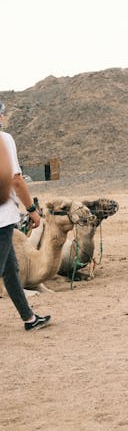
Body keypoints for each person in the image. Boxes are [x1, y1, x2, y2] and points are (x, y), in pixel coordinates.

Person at [0, 100, 51, 330]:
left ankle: (29, 318)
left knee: (11, 270)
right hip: (2, 218)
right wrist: (32, 211)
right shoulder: (4, 139)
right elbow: (16, 179)